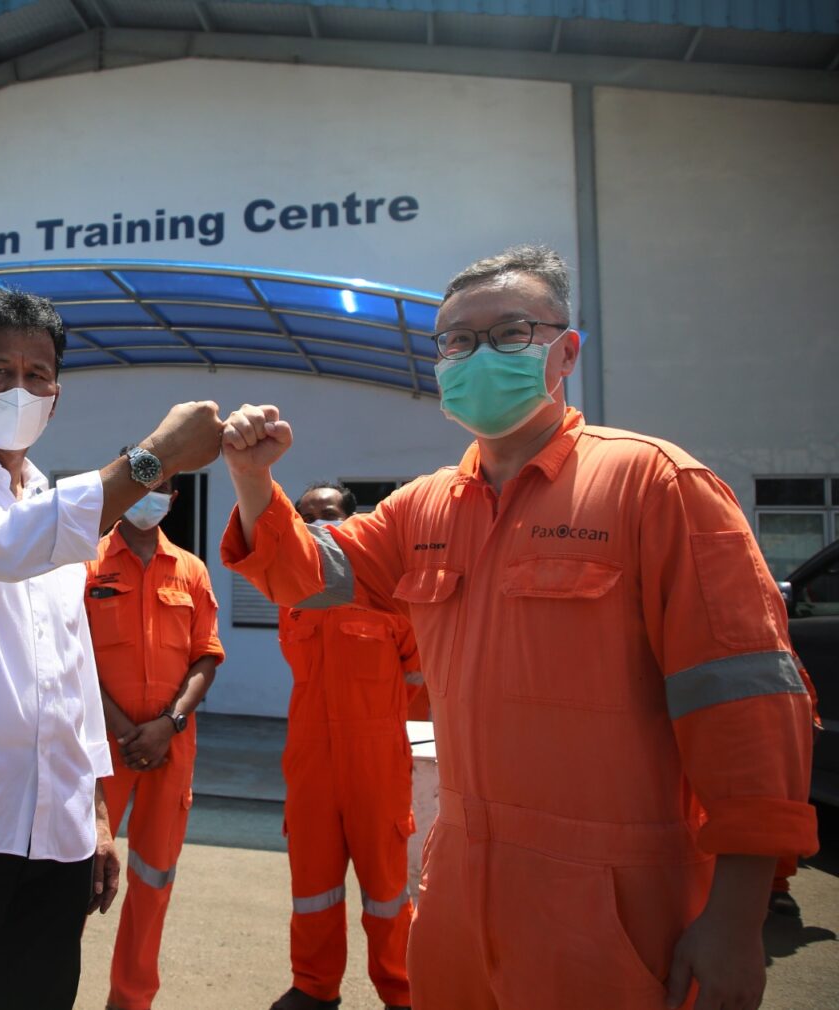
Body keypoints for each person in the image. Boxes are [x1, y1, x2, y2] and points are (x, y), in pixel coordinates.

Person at [218, 245, 818, 1010]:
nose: (476, 356)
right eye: (456, 343)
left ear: (565, 352)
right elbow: (305, 573)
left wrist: (736, 917)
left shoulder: (655, 485)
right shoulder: (424, 507)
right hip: (461, 889)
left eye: (509, 334)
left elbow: (747, 708)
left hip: (617, 900)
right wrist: (251, 479)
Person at [0, 289, 223, 1010]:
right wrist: (154, 459)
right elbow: (7, 547)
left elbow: (70, 672)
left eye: (39, 375)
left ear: (56, 398)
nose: (20, 389)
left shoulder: (60, 513)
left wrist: (93, 812)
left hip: (55, 833)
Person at [270, 480, 422, 1010]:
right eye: (306, 515)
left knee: (386, 890)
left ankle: (401, 990)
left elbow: (417, 681)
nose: (316, 524)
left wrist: (384, 731)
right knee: (312, 884)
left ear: (353, 519)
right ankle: (313, 986)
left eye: (327, 513)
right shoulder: (294, 598)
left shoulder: (387, 595)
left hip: (376, 761)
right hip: (310, 758)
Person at [85, 478, 225, 1010]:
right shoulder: (86, 563)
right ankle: (49, 988)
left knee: (152, 880)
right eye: (140, 485)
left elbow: (206, 656)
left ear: (174, 497)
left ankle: (130, 999)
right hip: (99, 746)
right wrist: (123, 729)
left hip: (171, 747)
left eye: (162, 488)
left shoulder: (190, 569)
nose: (151, 496)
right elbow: (69, 655)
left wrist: (169, 723)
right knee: (79, 875)